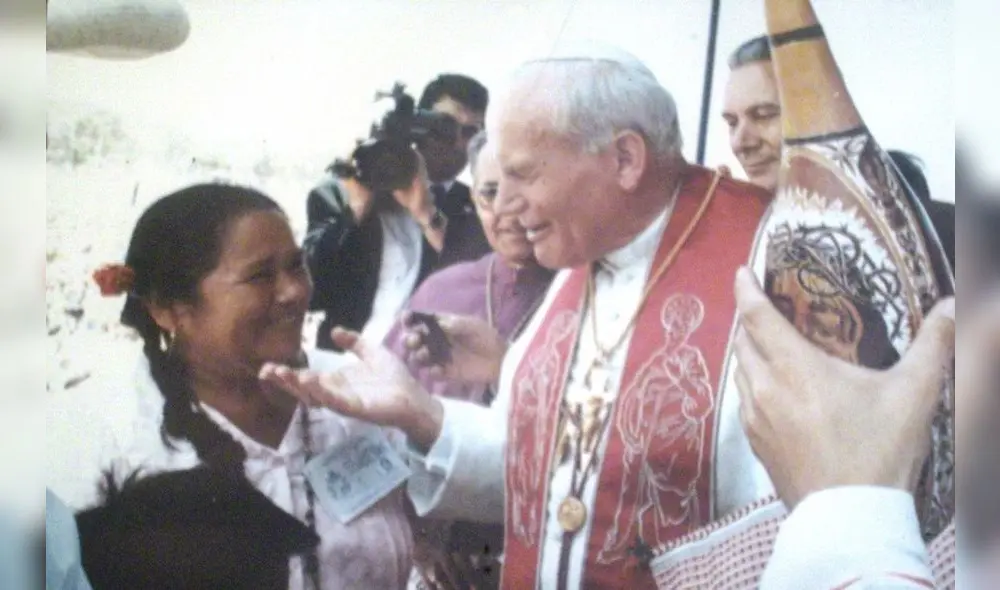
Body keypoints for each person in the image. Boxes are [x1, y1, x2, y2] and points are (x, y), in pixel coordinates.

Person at [263, 45, 783, 589]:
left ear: (625, 159)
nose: (502, 208)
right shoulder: (584, 255)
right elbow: (541, 470)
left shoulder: (773, 260)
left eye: (523, 175)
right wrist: (421, 415)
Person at [83, 184, 413, 589]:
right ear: (169, 309)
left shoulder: (357, 394)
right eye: (260, 276)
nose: (294, 291)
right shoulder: (112, 443)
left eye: (297, 265)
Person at [384, 131, 555, 589]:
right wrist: (416, 536)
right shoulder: (443, 290)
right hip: (432, 546)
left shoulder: (584, 290)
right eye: (490, 192)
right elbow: (383, 425)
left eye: (525, 187)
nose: (507, 210)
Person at [722, 35, 956, 271]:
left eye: (763, 115)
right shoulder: (743, 233)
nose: (741, 143)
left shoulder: (944, 234)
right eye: (732, 123)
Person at [304, 74, 493, 350]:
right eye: (444, 127)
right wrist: (355, 210)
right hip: (342, 361)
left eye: (470, 132)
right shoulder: (339, 192)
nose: (456, 142)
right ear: (418, 124)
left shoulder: (480, 206)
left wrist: (428, 215)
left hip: (422, 373)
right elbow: (311, 291)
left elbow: (481, 288)